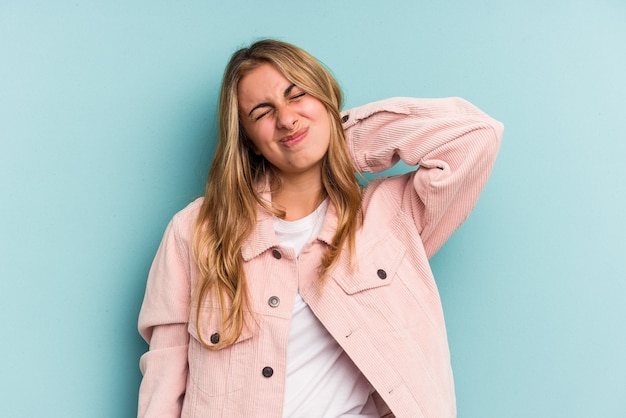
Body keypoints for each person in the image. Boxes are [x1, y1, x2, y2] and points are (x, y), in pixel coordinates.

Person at [137, 39, 503, 418]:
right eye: (263, 112)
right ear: (249, 141)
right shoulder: (195, 231)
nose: (286, 119)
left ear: (326, 97)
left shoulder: (390, 218)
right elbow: (164, 381)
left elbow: (476, 136)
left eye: (297, 95)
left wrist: (340, 142)